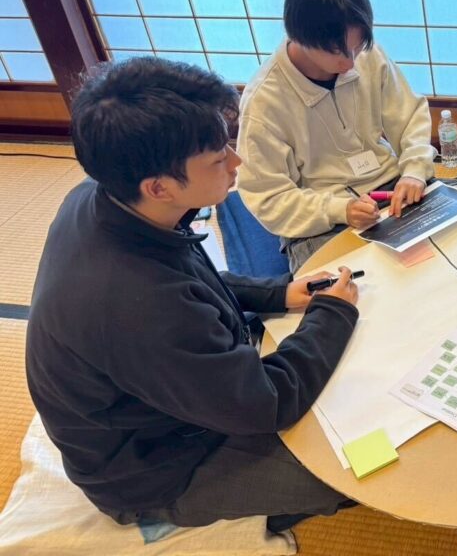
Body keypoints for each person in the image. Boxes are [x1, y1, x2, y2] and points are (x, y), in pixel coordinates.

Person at [26, 57, 361, 533]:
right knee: (354, 464)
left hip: (168, 401)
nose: (236, 161)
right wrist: (332, 314)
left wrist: (280, 293)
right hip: (160, 467)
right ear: (159, 187)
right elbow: (267, 402)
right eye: (218, 158)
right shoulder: (138, 305)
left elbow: (190, 275)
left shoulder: (105, 195)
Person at [237, 0, 435, 273]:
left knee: (454, 250)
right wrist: (338, 209)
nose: (350, 62)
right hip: (320, 217)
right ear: (299, 38)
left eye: (357, 47)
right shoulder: (264, 102)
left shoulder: (367, 55)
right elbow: (267, 197)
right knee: (345, 292)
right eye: (336, 52)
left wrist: (414, 171)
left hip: (392, 186)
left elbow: (409, 115)